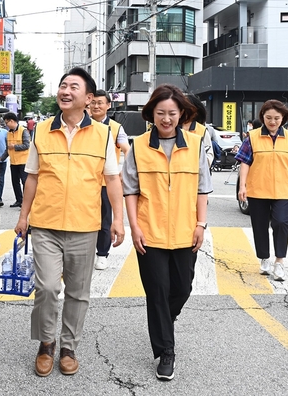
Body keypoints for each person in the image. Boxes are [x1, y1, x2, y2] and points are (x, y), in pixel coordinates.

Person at [15, 67, 125, 377]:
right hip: (46, 223)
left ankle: (68, 346)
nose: (65, 91)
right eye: (62, 85)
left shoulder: (104, 134)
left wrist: (118, 219)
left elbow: (113, 179)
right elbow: (32, 177)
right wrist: (24, 216)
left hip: (85, 224)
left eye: (73, 87)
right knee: (47, 287)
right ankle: (46, 343)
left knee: (78, 291)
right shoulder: (42, 130)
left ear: (88, 98)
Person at [121, 84, 212, 382]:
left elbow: (202, 189)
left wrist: (201, 224)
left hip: (186, 230)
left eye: (172, 113)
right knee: (158, 291)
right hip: (150, 231)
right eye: (160, 113)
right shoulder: (139, 146)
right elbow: (131, 190)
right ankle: (166, 351)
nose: (166, 118)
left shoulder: (196, 144)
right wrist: (134, 227)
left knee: (182, 288)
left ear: (182, 114)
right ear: (151, 114)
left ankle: (164, 321)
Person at [235, 99, 288, 282]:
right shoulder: (252, 137)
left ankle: (279, 261)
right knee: (259, 226)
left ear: (283, 118)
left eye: (276, 118)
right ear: (262, 117)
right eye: (268, 118)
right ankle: (264, 258)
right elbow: (245, 162)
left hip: (282, 190)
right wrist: (242, 186)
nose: (272, 121)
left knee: (281, 223)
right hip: (257, 190)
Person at [89, 89, 130, 271]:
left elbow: (127, 150)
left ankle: (102, 254)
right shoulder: (85, 124)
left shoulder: (116, 127)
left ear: (108, 105)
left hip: (107, 183)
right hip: (86, 181)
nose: (96, 106)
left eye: (100, 103)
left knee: (105, 220)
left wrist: (122, 172)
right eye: (94, 102)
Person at [1, 112, 30, 208]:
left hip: (23, 162)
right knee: (15, 182)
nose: (6, 125)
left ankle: (26, 202)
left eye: (6, 122)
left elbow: (26, 145)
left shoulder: (23, 131)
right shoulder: (8, 133)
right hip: (13, 162)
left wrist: (15, 146)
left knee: (25, 182)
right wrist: (1, 158)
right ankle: (19, 200)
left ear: (12, 121)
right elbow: (7, 149)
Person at [181, 94, 215, 168]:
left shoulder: (202, 130)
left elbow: (209, 154)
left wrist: (198, 167)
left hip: (197, 174)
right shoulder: (173, 128)